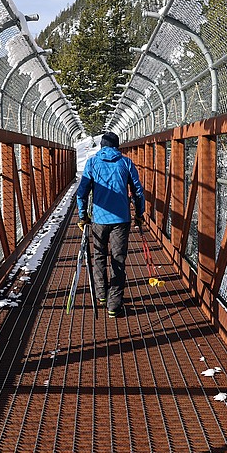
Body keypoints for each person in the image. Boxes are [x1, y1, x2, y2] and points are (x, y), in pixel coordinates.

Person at [76, 132, 145, 317]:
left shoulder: (91, 162)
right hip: (121, 220)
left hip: (99, 219)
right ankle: (114, 304)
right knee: (118, 260)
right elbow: (138, 191)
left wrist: (83, 217)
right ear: (117, 146)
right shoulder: (126, 162)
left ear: (101, 146)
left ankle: (101, 295)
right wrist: (139, 214)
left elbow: (82, 192)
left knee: (99, 256)